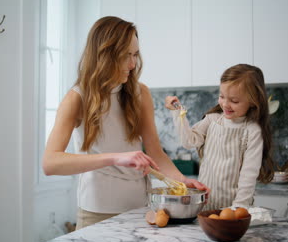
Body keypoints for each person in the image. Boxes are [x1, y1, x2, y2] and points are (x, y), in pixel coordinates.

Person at [42, 16, 208, 229]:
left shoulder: (141, 93)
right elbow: (50, 163)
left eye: (135, 55)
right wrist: (116, 158)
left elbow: (156, 153)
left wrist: (182, 182)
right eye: (125, 56)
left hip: (139, 209)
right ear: (104, 54)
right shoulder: (77, 98)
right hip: (96, 211)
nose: (132, 64)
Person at [165, 64, 274, 210]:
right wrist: (177, 113)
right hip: (203, 206)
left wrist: (238, 208)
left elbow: (248, 174)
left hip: (233, 209)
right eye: (222, 96)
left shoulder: (252, 131)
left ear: (253, 101)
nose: (225, 104)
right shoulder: (212, 120)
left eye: (234, 101)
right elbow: (188, 141)